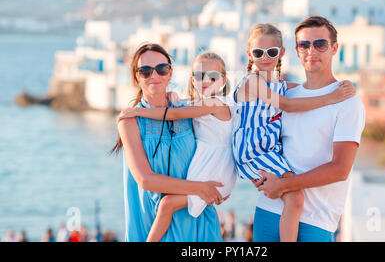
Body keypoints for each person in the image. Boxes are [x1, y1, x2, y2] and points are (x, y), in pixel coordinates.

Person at [232, 23, 356, 242]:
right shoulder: (254, 82)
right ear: (249, 54)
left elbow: (340, 169)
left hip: (317, 220)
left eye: (271, 52)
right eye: (258, 52)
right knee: (295, 198)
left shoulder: (284, 87)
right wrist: (331, 98)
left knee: (294, 199)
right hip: (256, 154)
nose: (264, 57)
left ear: (281, 53)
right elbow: (287, 105)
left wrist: (343, 87)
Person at [118, 52, 237, 242]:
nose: (154, 76)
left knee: (169, 205)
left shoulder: (191, 110)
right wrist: (201, 188)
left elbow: (173, 114)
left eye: (161, 69)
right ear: (135, 76)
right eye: (145, 71)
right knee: (166, 205)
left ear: (170, 73)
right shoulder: (131, 121)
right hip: (153, 218)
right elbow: (145, 180)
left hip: (200, 220)